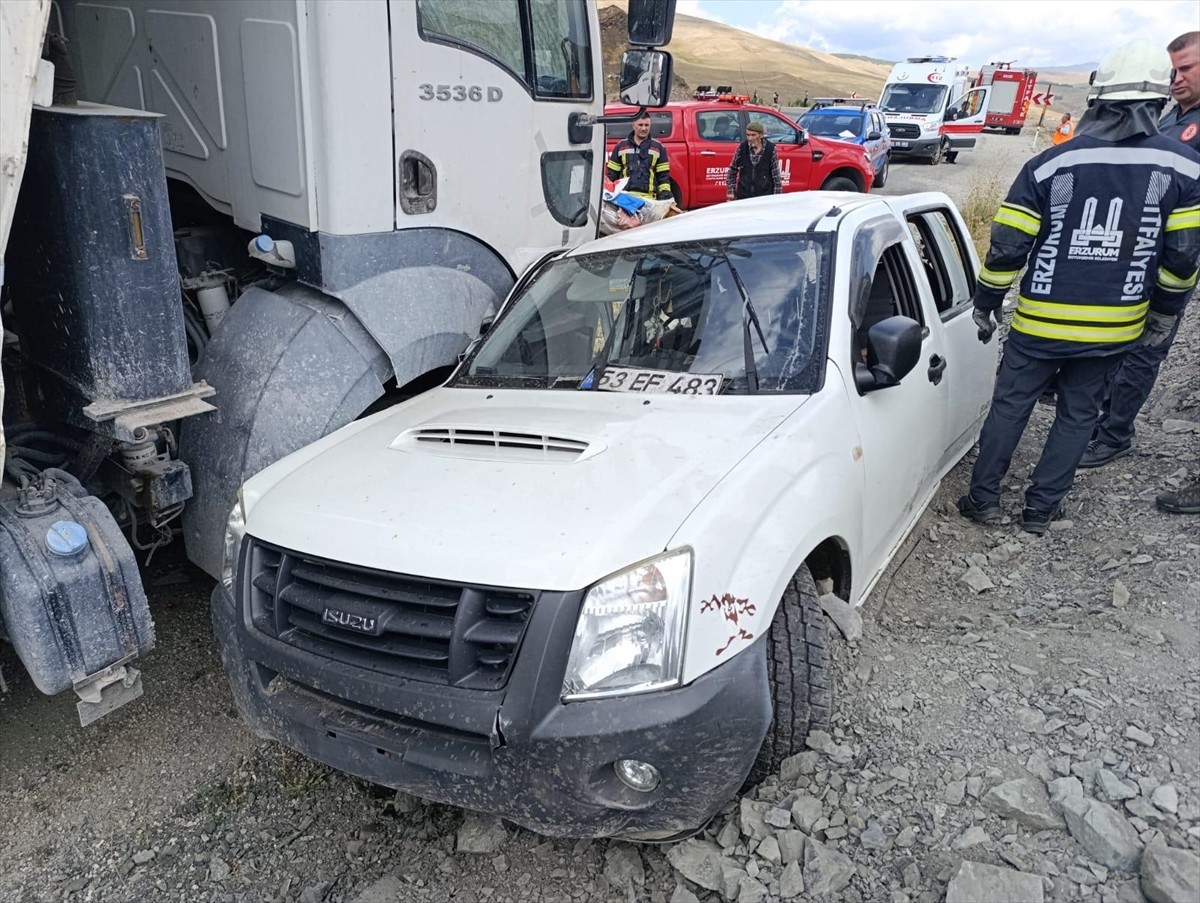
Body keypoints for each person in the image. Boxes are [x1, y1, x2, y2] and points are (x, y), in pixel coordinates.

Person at [957, 38, 1200, 536]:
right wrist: (1163, 313)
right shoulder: (1184, 167)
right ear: (1158, 99)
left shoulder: (1049, 164)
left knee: (1011, 405)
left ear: (1098, 97)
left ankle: (982, 501)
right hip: (1115, 328)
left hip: (1039, 322)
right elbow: (1182, 257)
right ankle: (1041, 511)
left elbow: (1007, 246)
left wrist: (987, 301)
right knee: (1078, 414)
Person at [1078, 31, 1200, 474]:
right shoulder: (1167, 119)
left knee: (1147, 347)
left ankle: (1114, 434)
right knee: (1119, 337)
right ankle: (1098, 416)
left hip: (1173, 255)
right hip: (1136, 249)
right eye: (1173, 71)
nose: (1177, 78)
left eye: (1187, 68)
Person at [606, 110, 673, 201]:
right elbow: (612, 175)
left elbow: (663, 177)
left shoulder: (658, 148)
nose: (644, 128)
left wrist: (665, 196)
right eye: (640, 125)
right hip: (625, 199)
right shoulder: (621, 146)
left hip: (649, 200)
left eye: (647, 125)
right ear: (633, 126)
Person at [725, 121, 782, 201]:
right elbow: (732, 170)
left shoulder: (771, 149)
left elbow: (776, 176)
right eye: (748, 135)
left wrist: (777, 198)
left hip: (764, 196)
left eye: (753, 135)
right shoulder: (742, 148)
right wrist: (731, 191)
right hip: (744, 195)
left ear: (761, 135)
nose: (750, 138)